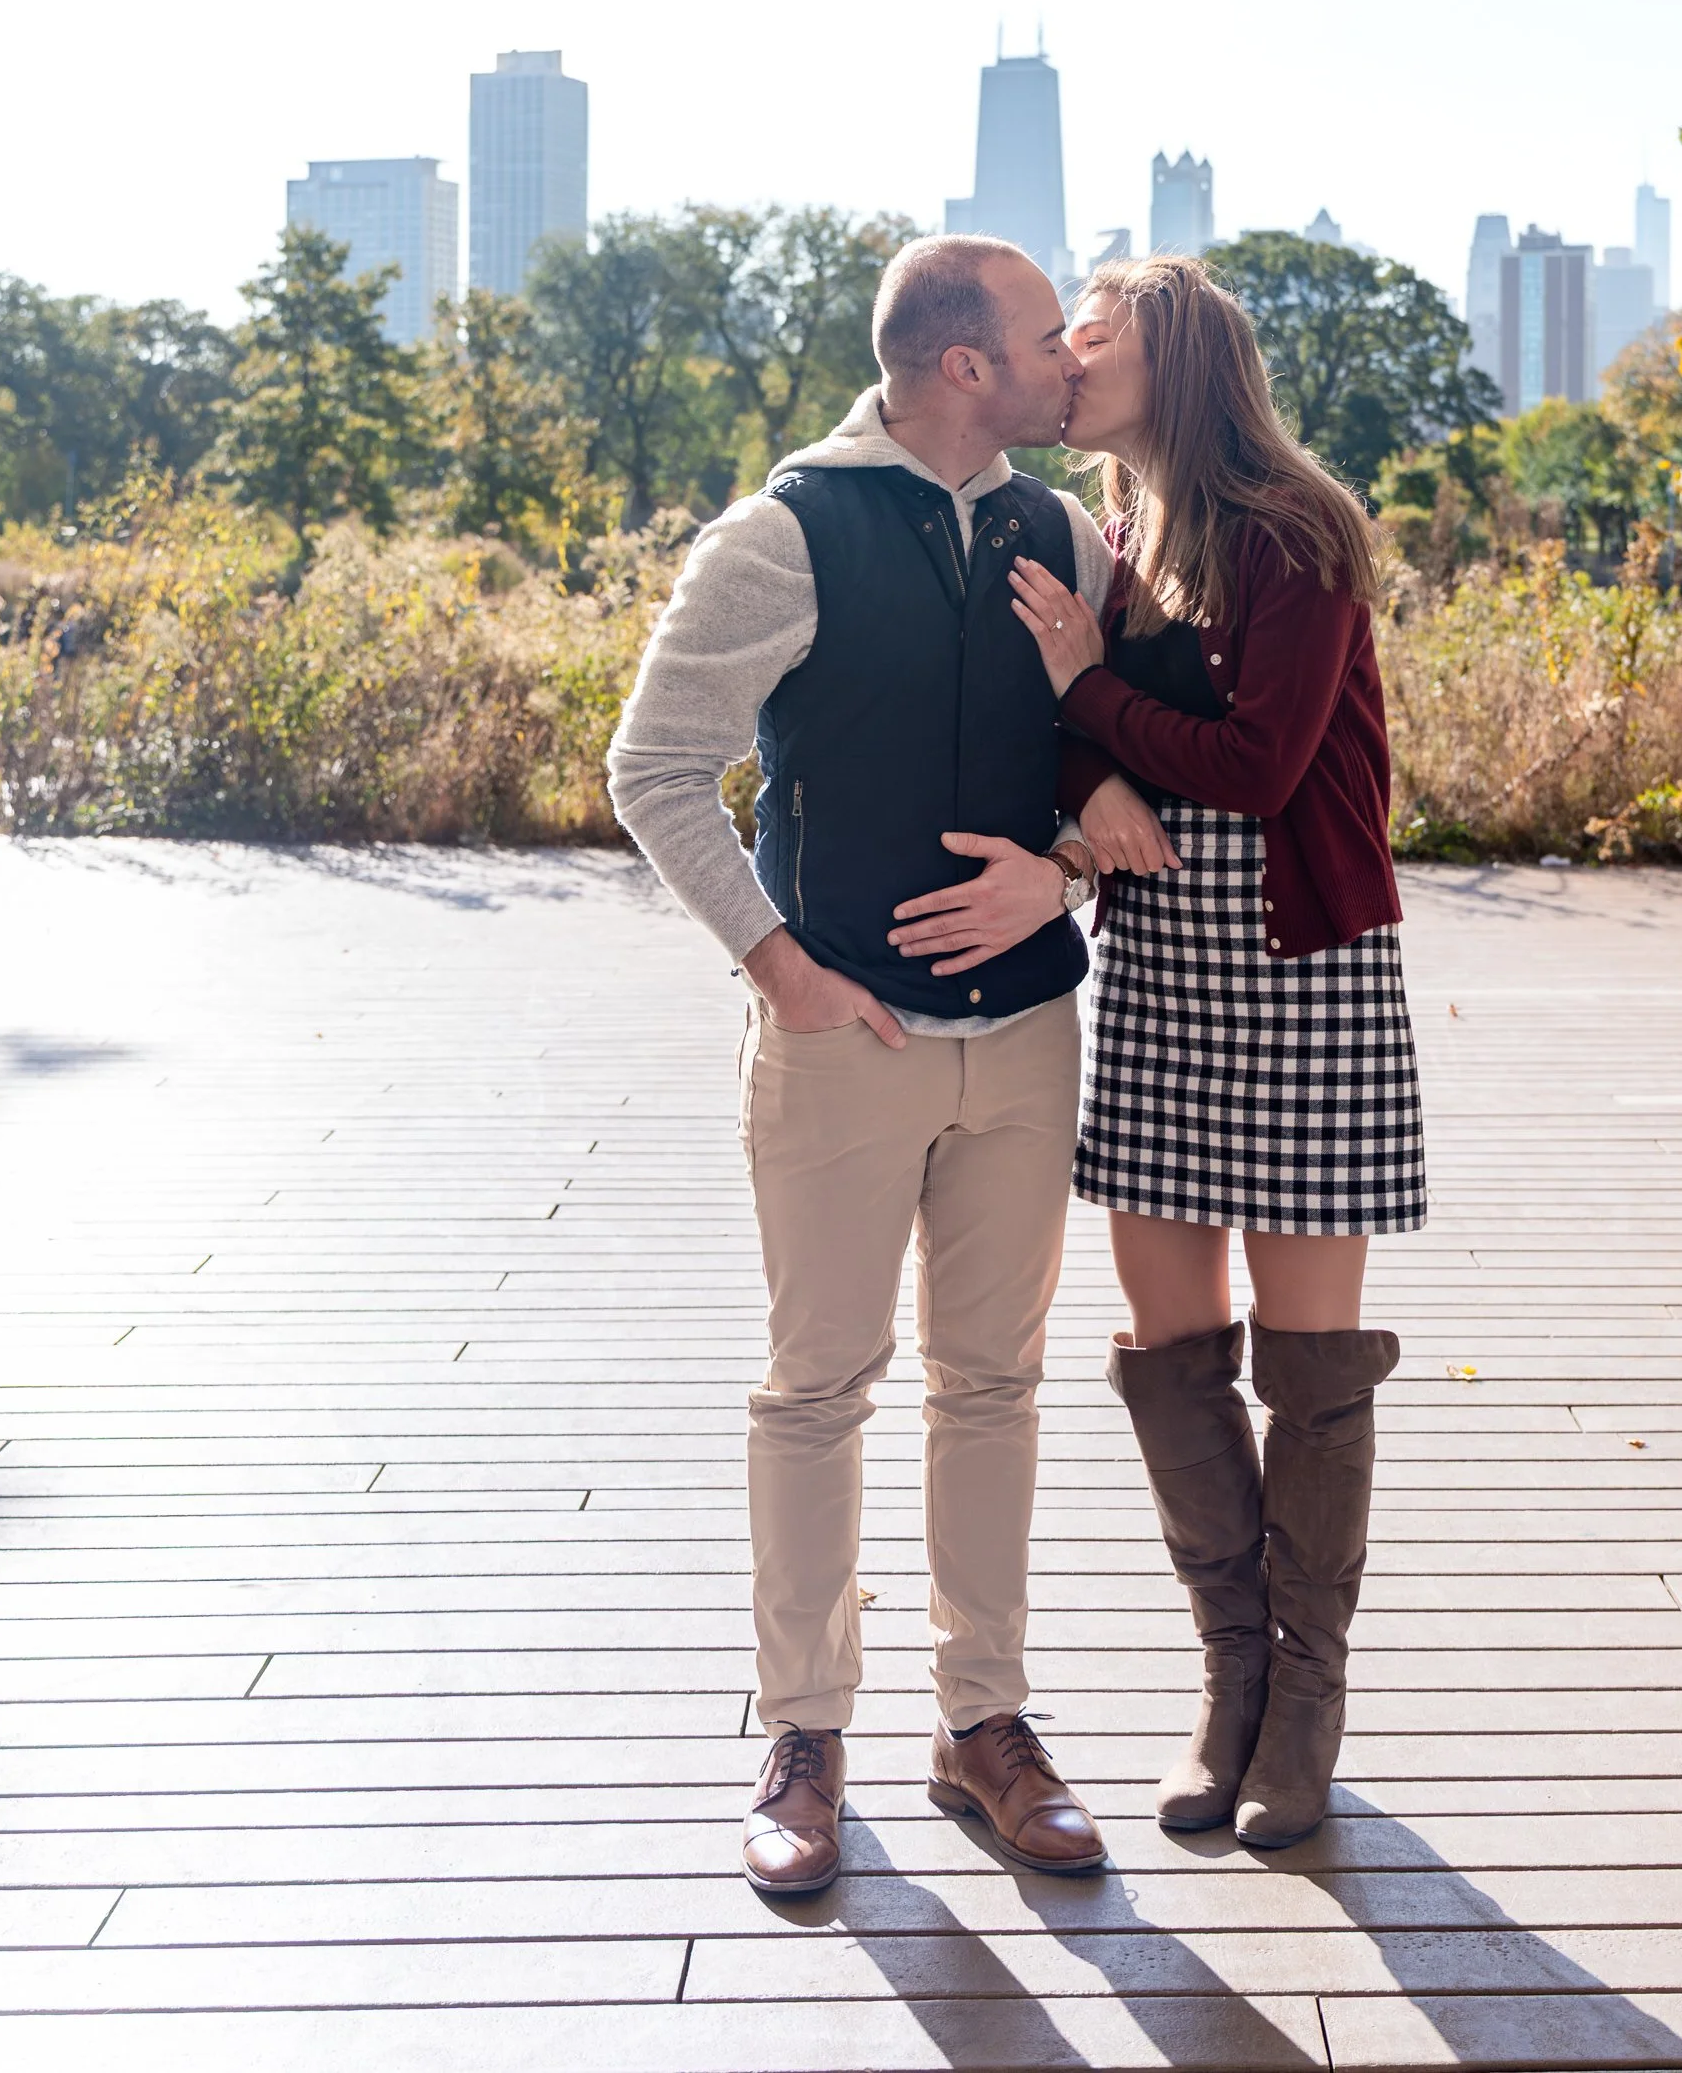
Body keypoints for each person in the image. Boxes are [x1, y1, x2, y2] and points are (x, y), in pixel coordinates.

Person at [607, 234, 1168, 1896]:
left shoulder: (1066, 530)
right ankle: (804, 1738)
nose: (1073, 353)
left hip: (1027, 1037)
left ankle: (980, 1724)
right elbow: (657, 765)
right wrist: (776, 965)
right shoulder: (786, 532)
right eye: (1043, 332)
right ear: (965, 367)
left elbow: (1106, 774)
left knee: (992, 1385)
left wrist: (1059, 865)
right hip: (845, 1044)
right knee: (817, 1390)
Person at [1009, 254, 1423, 1851]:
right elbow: (1052, 723)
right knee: (1170, 1346)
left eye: (1086, 345)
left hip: (1304, 971)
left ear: (1165, 362)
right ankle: (1230, 1681)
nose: (1059, 368)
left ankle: (1305, 1704)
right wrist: (1076, 785)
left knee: (1309, 1367)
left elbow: (1258, 768)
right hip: (1166, 982)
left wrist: (1093, 694)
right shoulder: (1109, 537)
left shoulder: (1292, 531)